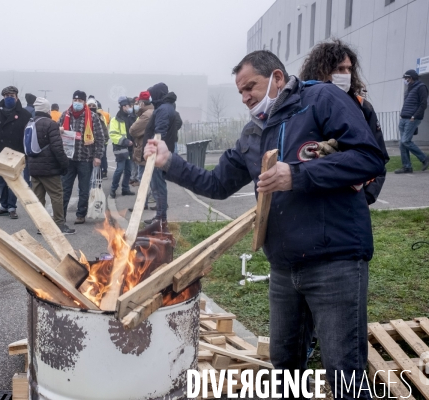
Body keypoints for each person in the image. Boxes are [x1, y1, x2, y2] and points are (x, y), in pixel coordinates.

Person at [144, 50, 385, 399]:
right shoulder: (253, 134)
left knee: (344, 370)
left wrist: (298, 174)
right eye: (240, 92)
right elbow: (217, 184)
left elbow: (368, 157)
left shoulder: (320, 99)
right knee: (285, 368)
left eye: (250, 87)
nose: (245, 98)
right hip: (285, 270)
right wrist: (170, 162)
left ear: (275, 77)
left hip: (335, 263)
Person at [299, 39, 390, 205]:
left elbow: (379, 157)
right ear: (320, 71)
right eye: (339, 69)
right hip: (314, 200)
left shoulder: (362, 107)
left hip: (353, 202)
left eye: (349, 69)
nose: (345, 74)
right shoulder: (302, 105)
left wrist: (365, 196)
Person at [27, 97, 75, 235]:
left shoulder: (30, 123)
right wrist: (65, 164)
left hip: (34, 167)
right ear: (48, 110)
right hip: (49, 168)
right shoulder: (50, 124)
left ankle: (40, 226)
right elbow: (57, 148)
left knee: (38, 198)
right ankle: (59, 224)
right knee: (57, 195)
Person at [0, 86, 32, 219]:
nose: (9, 98)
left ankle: (12, 207)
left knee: (13, 182)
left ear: (17, 97)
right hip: (0, 152)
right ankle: (3, 206)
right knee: (0, 181)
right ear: (3, 97)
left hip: (16, 153)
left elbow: (28, 136)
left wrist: (27, 154)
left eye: (11, 96)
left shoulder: (24, 115)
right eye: (6, 96)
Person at [58, 90, 105, 225]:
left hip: (85, 159)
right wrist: (59, 129)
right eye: (75, 100)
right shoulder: (65, 115)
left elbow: (100, 138)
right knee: (64, 188)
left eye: (80, 101)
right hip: (68, 159)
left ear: (84, 102)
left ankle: (80, 215)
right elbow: (55, 131)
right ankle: (61, 216)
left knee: (84, 189)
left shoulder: (93, 117)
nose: (77, 103)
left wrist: (97, 156)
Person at [142, 82, 181, 225]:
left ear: (158, 94)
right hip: (159, 153)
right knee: (158, 186)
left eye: (152, 95)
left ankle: (160, 218)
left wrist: (153, 148)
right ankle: (159, 216)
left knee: (158, 187)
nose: (151, 98)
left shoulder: (163, 109)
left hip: (156, 155)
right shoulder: (168, 108)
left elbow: (159, 132)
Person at [395, 69, 429, 174]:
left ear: (411, 78)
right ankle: (407, 167)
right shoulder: (409, 88)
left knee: (405, 141)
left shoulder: (421, 87)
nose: (405, 80)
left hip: (412, 118)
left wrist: (414, 116)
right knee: (402, 144)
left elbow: (423, 103)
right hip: (404, 118)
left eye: (406, 78)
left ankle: (424, 158)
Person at [108, 96, 136, 199]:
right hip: (120, 148)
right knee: (120, 169)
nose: (127, 107)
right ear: (121, 107)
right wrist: (125, 141)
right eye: (125, 106)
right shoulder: (115, 119)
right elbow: (113, 134)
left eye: (129, 105)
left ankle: (125, 189)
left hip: (130, 148)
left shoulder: (132, 117)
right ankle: (113, 189)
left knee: (128, 170)